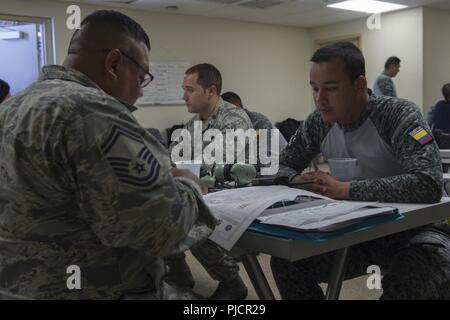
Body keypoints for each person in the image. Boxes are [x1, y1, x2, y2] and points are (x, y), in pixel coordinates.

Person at [0, 10, 217, 300]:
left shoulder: (12, 107)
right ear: (114, 63)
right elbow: (159, 230)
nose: (140, 92)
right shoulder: (92, 112)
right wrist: (189, 186)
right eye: (141, 77)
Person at [271, 41, 450, 299]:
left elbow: (428, 183)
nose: (320, 99)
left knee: (409, 281)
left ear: (359, 84)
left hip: (419, 231)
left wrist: (346, 189)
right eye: (314, 88)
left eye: (330, 88)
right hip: (360, 233)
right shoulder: (319, 122)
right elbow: (282, 164)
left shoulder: (397, 114)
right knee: (287, 262)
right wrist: (297, 178)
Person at [166, 64, 251, 300]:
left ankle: (231, 282)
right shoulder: (195, 123)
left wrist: (183, 171)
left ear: (211, 91)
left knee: (190, 216)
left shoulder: (234, 118)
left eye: (189, 89)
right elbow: (170, 157)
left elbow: (216, 163)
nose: (184, 96)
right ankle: (178, 274)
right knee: (159, 207)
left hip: (235, 194)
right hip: (205, 191)